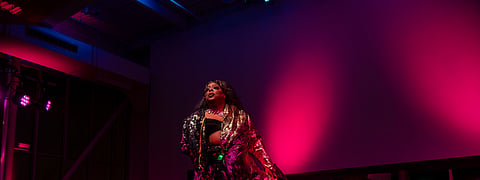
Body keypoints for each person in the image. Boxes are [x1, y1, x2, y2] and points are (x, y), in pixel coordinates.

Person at [180, 80, 287, 180]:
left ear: (224, 94)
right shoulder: (195, 119)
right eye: (207, 90)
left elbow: (255, 143)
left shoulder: (240, 117)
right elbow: (186, 145)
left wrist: (268, 165)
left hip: (237, 169)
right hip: (209, 171)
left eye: (215, 88)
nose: (210, 90)